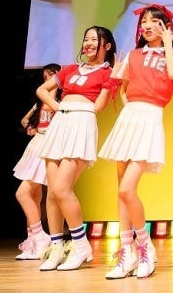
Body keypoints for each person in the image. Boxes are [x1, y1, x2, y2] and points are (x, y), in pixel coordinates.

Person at [98, 4, 173, 280]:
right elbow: (123, 87)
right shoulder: (134, 55)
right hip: (129, 119)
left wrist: (169, 43)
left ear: (166, 27)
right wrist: (129, 105)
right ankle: (127, 252)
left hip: (150, 118)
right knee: (121, 190)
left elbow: (172, 74)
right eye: (145, 21)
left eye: (154, 21)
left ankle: (145, 246)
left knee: (128, 190)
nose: (147, 25)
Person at [35, 25, 121, 271]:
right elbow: (41, 90)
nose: (88, 43)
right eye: (86, 39)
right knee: (52, 192)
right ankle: (57, 247)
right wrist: (58, 107)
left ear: (106, 46)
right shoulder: (71, 69)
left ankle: (81, 245)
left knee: (62, 189)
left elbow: (100, 106)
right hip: (60, 122)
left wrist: (112, 80)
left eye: (94, 39)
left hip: (82, 123)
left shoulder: (108, 73)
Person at [14, 62, 61, 260]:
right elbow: (25, 120)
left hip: (49, 146)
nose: (47, 80)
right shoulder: (41, 99)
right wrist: (31, 128)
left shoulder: (62, 100)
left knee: (24, 193)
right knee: (33, 195)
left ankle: (40, 237)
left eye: (50, 76)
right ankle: (33, 241)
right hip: (37, 144)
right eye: (45, 77)